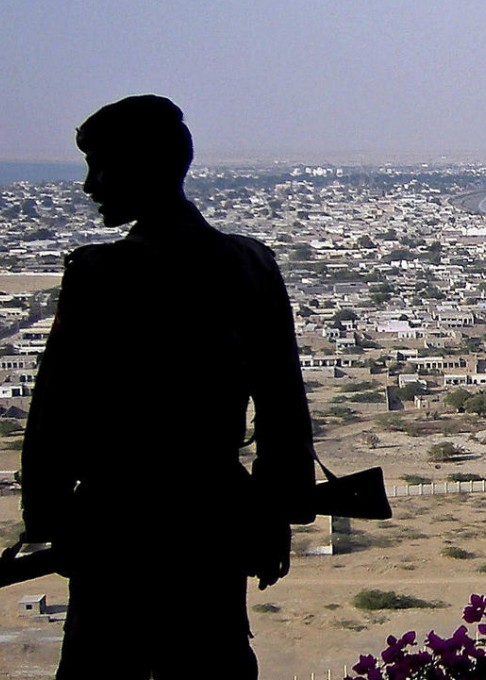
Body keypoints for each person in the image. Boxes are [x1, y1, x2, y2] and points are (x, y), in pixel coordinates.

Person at [19, 95, 317, 679]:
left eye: (100, 166)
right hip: (213, 516)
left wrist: (48, 521)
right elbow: (284, 408)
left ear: (143, 167)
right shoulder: (252, 264)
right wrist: (276, 513)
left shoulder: (100, 273)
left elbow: (54, 416)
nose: (88, 184)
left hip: (120, 521)